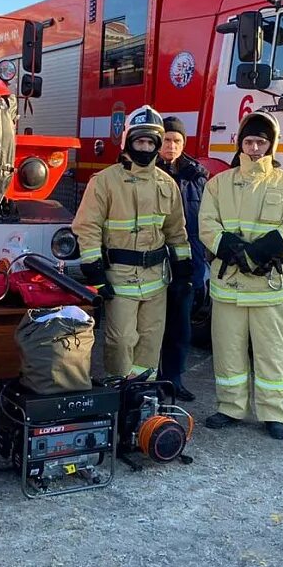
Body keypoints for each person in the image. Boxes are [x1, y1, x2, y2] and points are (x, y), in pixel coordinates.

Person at [198, 111, 283, 440]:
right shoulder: (218, 184)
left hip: (269, 287)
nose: (254, 148)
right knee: (227, 350)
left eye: (261, 141)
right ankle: (230, 407)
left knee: (273, 353)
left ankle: (273, 412)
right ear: (239, 144)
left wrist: (259, 252)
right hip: (230, 284)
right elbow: (207, 224)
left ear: (272, 145)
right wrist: (233, 249)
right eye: (249, 141)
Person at [72, 105, 192, 378]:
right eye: (140, 140)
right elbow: (87, 226)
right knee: (121, 341)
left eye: (151, 142)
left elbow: (176, 230)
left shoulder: (166, 183)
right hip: (119, 279)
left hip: (156, 279)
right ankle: (120, 391)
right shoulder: (104, 181)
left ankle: (143, 394)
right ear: (128, 142)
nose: (145, 146)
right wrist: (94, 270)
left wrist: (184, 266)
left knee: (150, 342)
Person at [157, 116, 209, 401]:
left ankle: (173, 379)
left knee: (180, 326)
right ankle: (149, 380)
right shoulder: (146, 171)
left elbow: (202, 224)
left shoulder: (196, 176)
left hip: (187, 263)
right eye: (166, 140)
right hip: (153, 263)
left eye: (177, 141)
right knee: (151, 328)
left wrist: (199, 268)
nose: (171, 146)